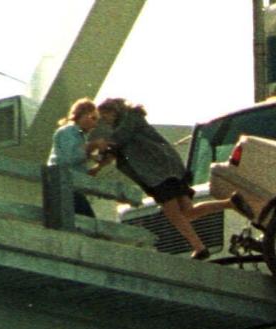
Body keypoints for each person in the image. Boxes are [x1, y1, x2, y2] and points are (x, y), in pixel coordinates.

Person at [91, 97, 252, 260]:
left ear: (113, 111)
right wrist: (98, 166)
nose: (106, 121)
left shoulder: (130, 118)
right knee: (188, 212)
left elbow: (118, 139)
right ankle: (230, 203)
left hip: (159, 170)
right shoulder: (125, 126)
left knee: (172, 212)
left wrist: (102, 144)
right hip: (167, 168)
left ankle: (199, 247)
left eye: (106, 116)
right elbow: (114, 151)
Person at [47, 97, 102, 217]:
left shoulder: (81, 136)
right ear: (82, 115)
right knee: (89, 220)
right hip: (63, 184)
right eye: (93, 118)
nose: (95, 123)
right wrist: (92, 147)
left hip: (70, 185)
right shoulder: (68, 131)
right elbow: (69, 158)